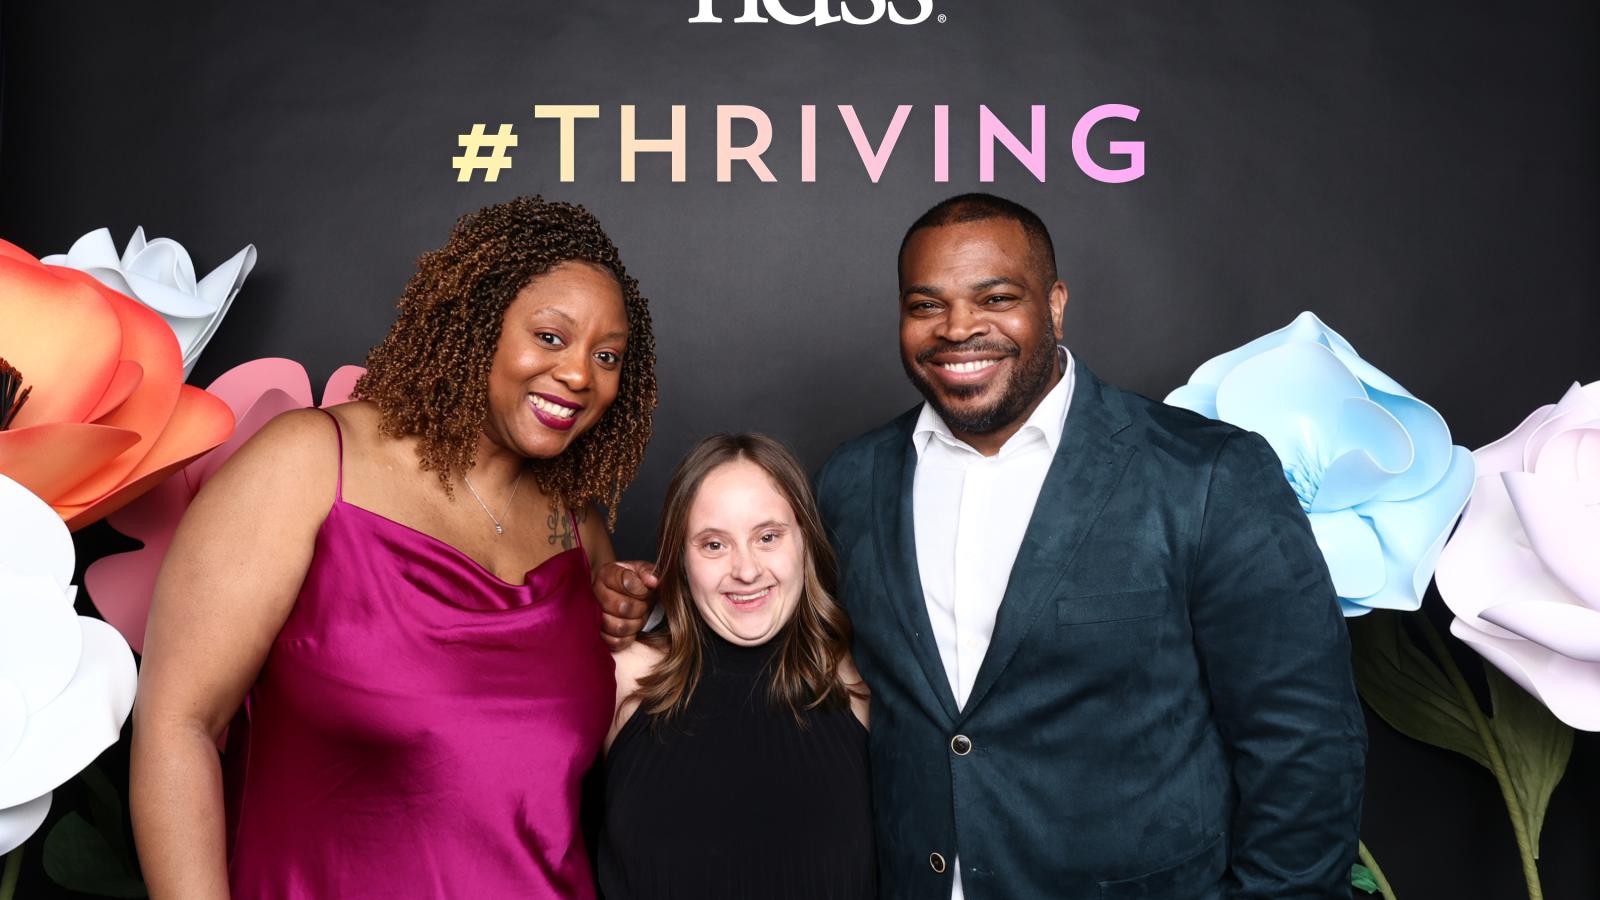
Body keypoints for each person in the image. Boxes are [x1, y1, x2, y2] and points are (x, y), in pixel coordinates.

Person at [598, 193, 1366, 899]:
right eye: (925, 305)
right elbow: (768, 620)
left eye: (996, 298)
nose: (959, 328)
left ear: (1056, 305)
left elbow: (1304, 741)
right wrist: (641, 600)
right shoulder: (856, 481)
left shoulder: (1207, 475)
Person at [130, 196, 657, 899]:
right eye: (552, 337)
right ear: (476, 324)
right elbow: (179, 724)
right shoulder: (311, 464)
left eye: (607, 356)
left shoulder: (576, 526)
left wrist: (631, 622)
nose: (580, 376)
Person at [599, 433, 874, 900]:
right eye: (713, 545)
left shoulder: (862, 680)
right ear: (680, 560)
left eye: (768, 537)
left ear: (804, 539)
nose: (746, 570)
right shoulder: (622, 677)